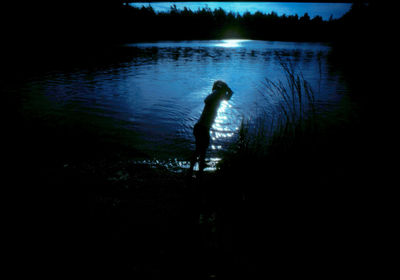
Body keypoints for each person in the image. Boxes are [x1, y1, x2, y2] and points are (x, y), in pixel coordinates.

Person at [188, 80, 233, 179]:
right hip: (201, 128)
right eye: (222, 91)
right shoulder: (213, 97)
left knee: (201, 150)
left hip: (203, 128)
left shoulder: (218, 98)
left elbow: (229, 96)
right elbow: (206, 100)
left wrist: (227, 88)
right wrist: (220, 90)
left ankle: (198, 170)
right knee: (200, 150)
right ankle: (194, 170)